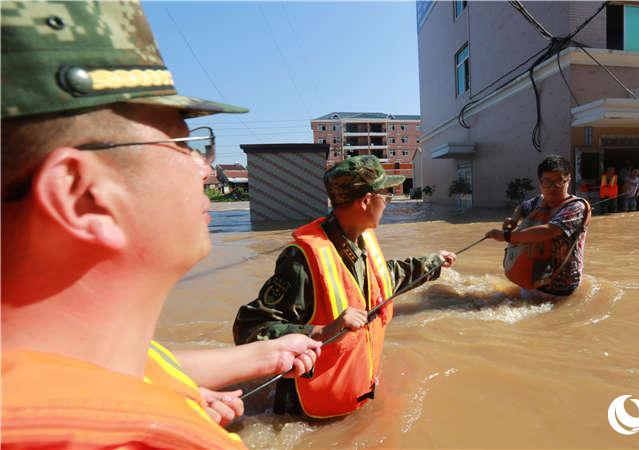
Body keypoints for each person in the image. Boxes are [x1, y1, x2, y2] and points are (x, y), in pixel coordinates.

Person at [1, 2, 320, 448]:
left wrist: (252, 357)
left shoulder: (55, 363)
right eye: (184, 143)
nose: (205, 169)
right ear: (81, 196)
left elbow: (131, 366)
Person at [233, 155, 457, 419]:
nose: (388, 203)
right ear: (366, 200)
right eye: (386, 195)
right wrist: (322, 330)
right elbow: (249, 328)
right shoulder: (303, 258)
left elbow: (388, 278)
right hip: (303, 411)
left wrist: (434, 262)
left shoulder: (361, 241)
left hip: (352, 396)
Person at [486, 155, 590, 302]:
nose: (553, 187)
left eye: (559, 181)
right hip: (531, 281)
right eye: (547, 182)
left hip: (560, 288)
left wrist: (507, 236)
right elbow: (522, 207)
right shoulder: (539, 201)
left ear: (568, 179)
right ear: (540, 183)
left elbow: (549, 231)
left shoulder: (576, 207)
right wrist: (514, 219)